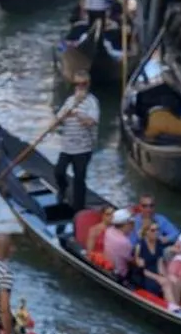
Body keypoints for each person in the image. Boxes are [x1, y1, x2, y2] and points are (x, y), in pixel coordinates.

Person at [53, 74, 100, 212]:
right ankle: (63, 188)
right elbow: (57, 120)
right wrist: (62, 116)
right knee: (59, 172)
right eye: (77, 84)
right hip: (67, 147)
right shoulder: (69, 101)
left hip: (84, 148)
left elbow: (92, 122)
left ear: (88, 84)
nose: (80, 86)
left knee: (79, 178)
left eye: (83, 83)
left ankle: (78, 210)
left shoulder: (92, 102)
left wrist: (78, 114)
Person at [131, 217, 167, 296]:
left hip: (155, 271)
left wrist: (163, 276)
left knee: (168, 281)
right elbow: (142, 270)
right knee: (155, 285)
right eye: (153, 230)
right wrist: (158, 278)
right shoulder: (139, 246)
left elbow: (160, 264)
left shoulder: (158, 243)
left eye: (157, 230)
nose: (156, 232)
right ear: (146, 232)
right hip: (143, 275)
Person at [102, 206, 136, 277]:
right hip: (121, 274)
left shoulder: (109, 230)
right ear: (126, 224)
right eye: (131, 223)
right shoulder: (125, 242)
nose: (132, 224)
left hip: (108, 266)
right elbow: (133, 261)